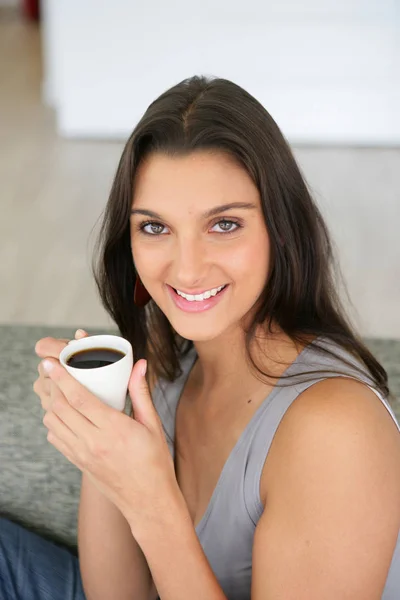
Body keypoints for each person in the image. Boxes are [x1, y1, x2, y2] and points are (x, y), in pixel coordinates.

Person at [1, 75, 399, 600]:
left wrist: (153, 503)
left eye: (225, 225)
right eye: (155, 227)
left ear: (282, 230)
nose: (186, 270)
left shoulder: (337, 431)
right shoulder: (172, 362)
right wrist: (99, 443)